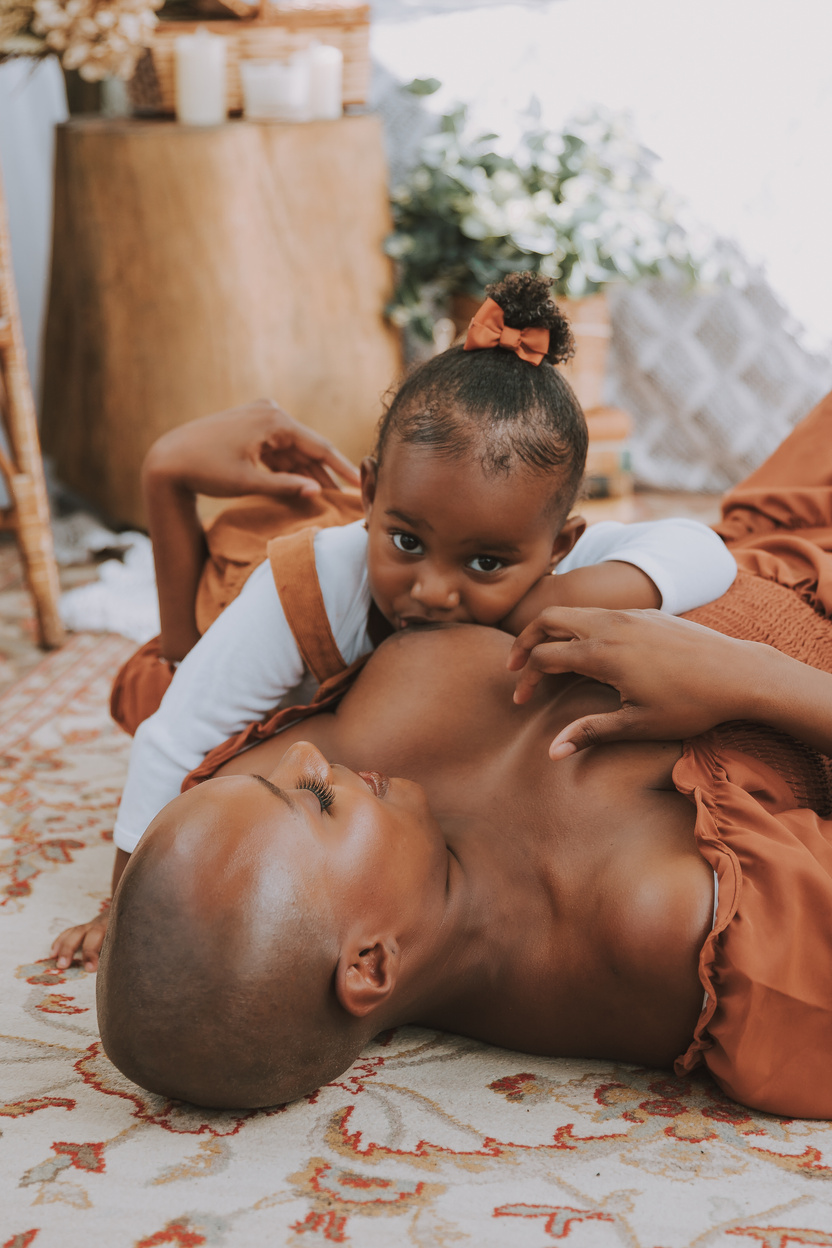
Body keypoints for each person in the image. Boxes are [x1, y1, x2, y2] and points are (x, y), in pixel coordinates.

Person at [96, 387, 832, 1119]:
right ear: (370, 963)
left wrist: (166, 486)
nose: (304, 760)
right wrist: (748, 679)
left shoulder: (276, 807)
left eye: (265, 774)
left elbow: (174, 696)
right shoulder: (667, 930)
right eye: (312, 799)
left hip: (747, 538)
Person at [53, 273, 734, 970]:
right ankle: (170, 475)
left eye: (485, 563)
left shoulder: (538, 558)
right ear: (372, 493)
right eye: (407, 542)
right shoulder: (311, 582)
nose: (435, 592)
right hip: (239, 607)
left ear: (558, 546)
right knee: (167, 689)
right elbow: (175, 737)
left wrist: (550, 598)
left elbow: (707, 550)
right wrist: (120, 906)